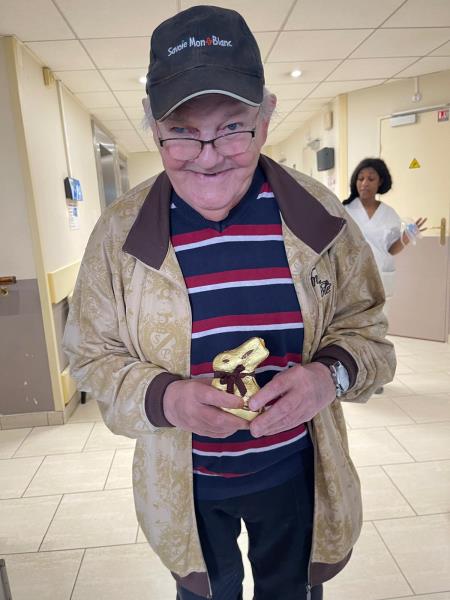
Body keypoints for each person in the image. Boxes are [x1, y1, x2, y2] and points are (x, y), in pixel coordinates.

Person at [63, 6, 396, 600]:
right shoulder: (118, 236)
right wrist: (166, 398)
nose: (209, 154)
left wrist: (329, 378)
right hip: (185, 487)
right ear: (154, 130)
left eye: (232, 126)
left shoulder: (320, 218)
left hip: (297, 472)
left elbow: (369, 334)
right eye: (182, 131)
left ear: (265, 119)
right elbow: (90, 358)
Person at [343, 158, 427, 302]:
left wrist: (406, 237)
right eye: (360, 178)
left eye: (371, 179)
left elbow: (391, 250)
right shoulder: (344, 211)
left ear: (380, 182)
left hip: (380, 279)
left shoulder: (389, 214)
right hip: (351, 281)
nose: (364, 183)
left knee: (379, 316)